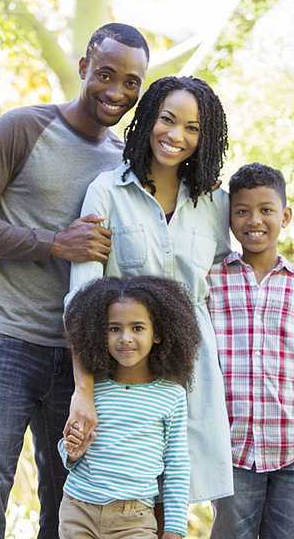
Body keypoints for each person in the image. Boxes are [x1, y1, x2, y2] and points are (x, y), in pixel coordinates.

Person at [0, 22, 149, 539]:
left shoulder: (124, 161)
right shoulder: (22, 128)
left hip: (80, 363)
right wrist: (53, 242)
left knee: (67, 514)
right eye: (105, 74)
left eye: (130, 82)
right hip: (3, 343)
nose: (116, 92)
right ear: (83, 69)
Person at [65, 75, 234, 505]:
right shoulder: (107, 191)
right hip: (123, 373)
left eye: (193, 128)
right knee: (122, 498)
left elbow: (227, 284)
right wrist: (83, 391)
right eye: (168, 119)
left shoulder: (215, 204)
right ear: (148, 119)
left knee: (176, 501)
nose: (176, 136)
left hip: (192, 374)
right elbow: (81, 300)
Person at [59, 275, 201, 539]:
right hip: (78, 509)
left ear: (157, 334)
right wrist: (71, 451)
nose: (125, 338)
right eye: (114, 329)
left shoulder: (171, 396)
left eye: (137, 328)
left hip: (134, 519)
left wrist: (174, 528)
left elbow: (177, 466)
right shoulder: (92, 389)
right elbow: (69, 449)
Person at [207, 162, 294, 539]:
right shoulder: (211, 280)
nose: (253, 220)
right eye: (241, 211)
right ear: (229, 219)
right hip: (232, 450)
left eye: (266, 210)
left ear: (285, 216)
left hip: (290, 448)